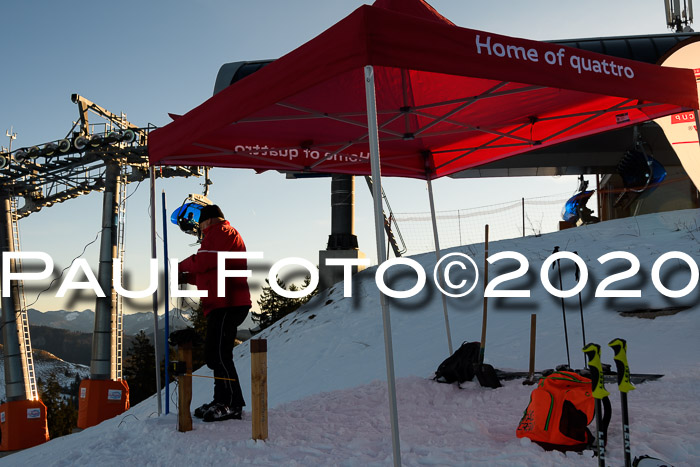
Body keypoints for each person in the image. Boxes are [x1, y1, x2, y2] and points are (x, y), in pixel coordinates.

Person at [178, 204, 251, 422]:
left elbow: (204, 260)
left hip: (228, 303)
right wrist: (186, 277)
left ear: (207, 220)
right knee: (216, 354)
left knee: (219, 354)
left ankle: (231, 404)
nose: (198, 229)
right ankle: (221, 400)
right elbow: (210, 270)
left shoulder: (221, 232)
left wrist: (178, 266)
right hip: (223, 304)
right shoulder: (219, 235)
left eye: (199, 223)